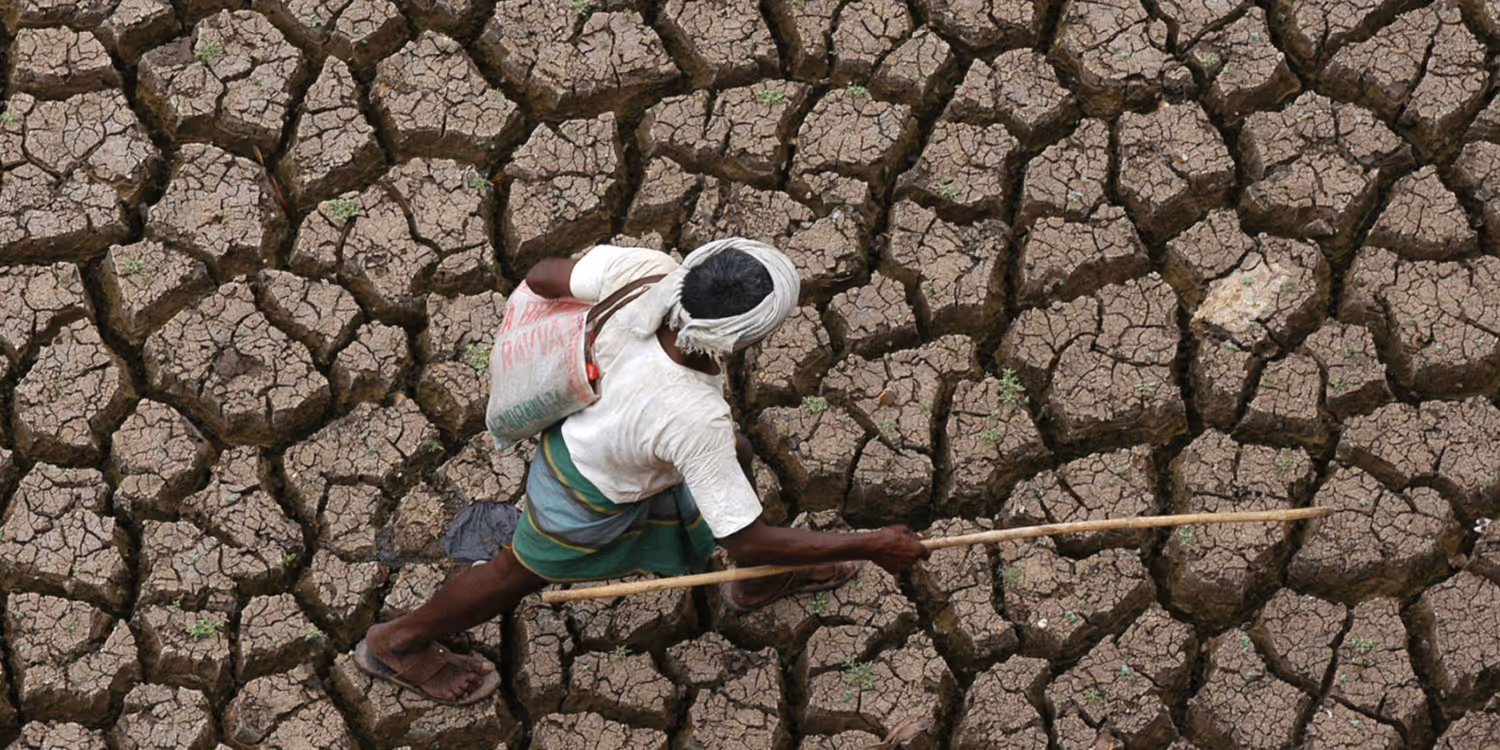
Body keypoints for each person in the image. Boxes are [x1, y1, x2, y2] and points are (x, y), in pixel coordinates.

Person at [354, 238, 930, 705]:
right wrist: (874, 542)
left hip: (595, 425)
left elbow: (545, 274)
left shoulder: (647, 270)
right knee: (516, 572)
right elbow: (742, 533)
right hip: (583, 488)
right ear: (744, 338)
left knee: (739, 455)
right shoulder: (691, 415)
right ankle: (397, 643)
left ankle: (757, 580)